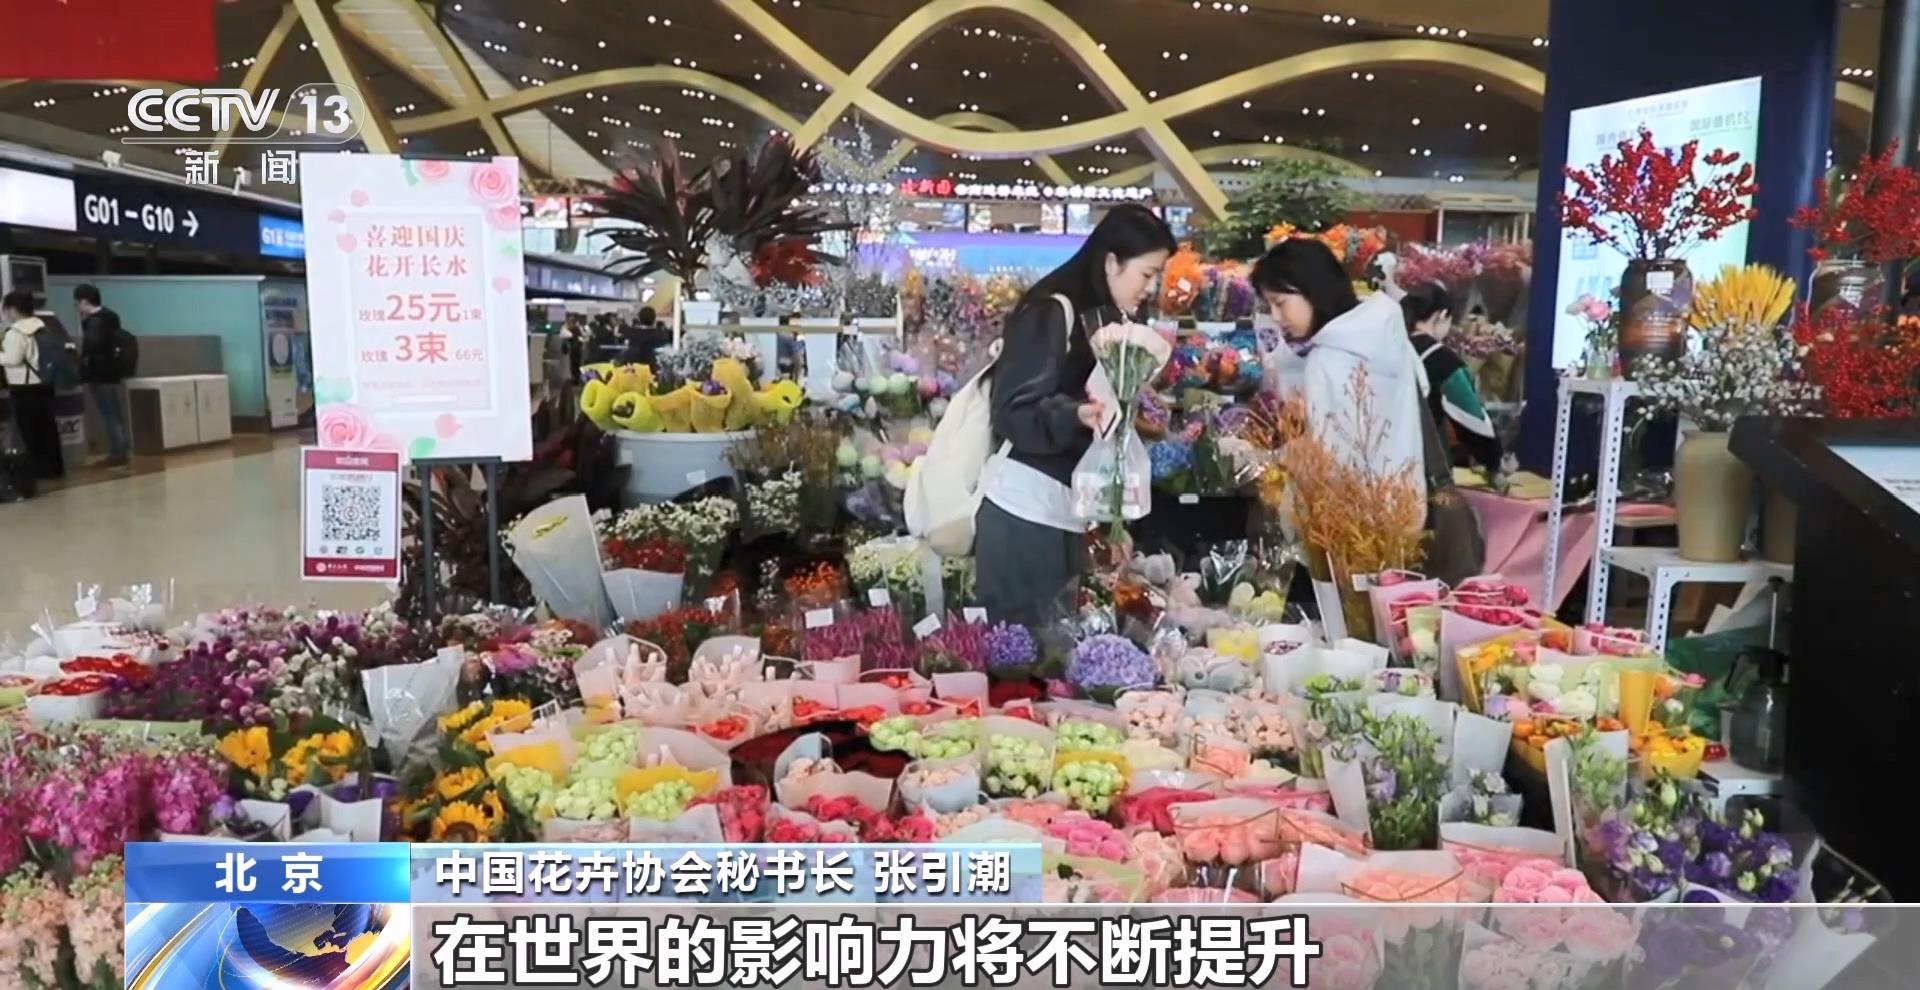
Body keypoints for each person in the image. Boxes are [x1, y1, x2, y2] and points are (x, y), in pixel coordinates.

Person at [976, 203, 1176, 624]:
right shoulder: (1051, 312)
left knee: (1060, 644)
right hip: (1024, 515)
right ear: (1111, 262)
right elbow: (1012, 410)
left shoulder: (1104, 323)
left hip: (1064, 513)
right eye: (1147, 274)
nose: (1151, 287)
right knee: (1026, 647)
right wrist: (1076, 414)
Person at [1251, 239, 1482, 582]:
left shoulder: (1327, 358)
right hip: (1408, 517)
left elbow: (1329, 462)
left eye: (1280, 302)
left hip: (1355, 534)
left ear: (1313, 290)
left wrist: (1274, 459)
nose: (1276, 317)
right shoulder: (1387, 335)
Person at [1401, 283, 1502, 474]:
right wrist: (1492, 458)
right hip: (1426, 463)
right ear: (1442, 315)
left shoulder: (1393, 346)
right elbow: (1471, 417)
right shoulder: (1441, 358)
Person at [0, 290, 65, 479]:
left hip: (24, 387)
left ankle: (39, 470)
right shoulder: (44, 327)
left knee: (30, 431)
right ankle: (55, 468)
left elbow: (13, 359)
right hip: (45, 383)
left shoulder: (16, 332)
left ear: (13, 309)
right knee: (48, 428)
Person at [74, 283, 130, 467]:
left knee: (108, 414)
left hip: (98, 374)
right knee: (114, 413)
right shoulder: (111, 316)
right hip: (112, 372)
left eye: (77, 304)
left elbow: (93, 346)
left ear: (84, 301)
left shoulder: (95, 321)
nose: (77, 308)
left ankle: (117, 454)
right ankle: (120, 450)